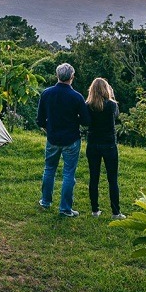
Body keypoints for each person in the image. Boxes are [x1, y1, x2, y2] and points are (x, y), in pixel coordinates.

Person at [37, 63, 90, 217]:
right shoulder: (77, 97)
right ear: (72, 77)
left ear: (57, 75)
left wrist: (49, 130)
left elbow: (40, 120)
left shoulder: (46, 94)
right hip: (71, 140)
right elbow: (86, 120)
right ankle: (65, 208)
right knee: (68, 174)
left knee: (49, 169)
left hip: (53, 138)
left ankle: (45, 201)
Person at [86, 78, 126, 220]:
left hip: (92, 144)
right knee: (112, 179)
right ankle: (116, 212)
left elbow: (85, 122)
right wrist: (112, 96)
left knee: (94, 177)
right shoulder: (111, 105)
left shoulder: (88, 105)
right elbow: (116, 117)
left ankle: (95, 210)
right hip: (109, 144)